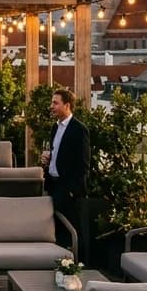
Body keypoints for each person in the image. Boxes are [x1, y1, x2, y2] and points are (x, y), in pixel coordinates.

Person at [40, 88, 90, 234]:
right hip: (53, 186)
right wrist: (47, 159)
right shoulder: (55, 127)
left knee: (71, 231)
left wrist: (71, 191)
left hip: (68, 191)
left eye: (55, 103)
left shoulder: (79, 130)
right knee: (55, 231)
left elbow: (83, 165)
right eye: (51, 103)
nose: (51, 106)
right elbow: (58, 154)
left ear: (67, 105)